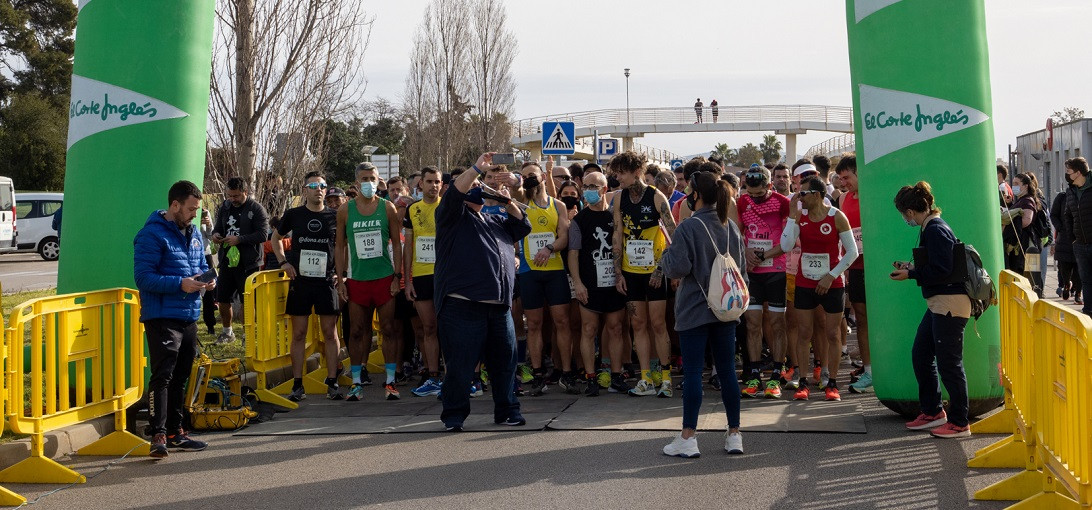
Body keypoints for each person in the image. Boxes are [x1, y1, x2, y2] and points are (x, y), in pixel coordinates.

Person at [435, 152, 530, 431]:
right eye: (475, 187)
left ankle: (508, 411)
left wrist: (506, 199)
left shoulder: (497, 222)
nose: (479, 190)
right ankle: (453, 415)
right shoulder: (452, 217)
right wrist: (477, 168)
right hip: (462, 307)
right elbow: (456, 192)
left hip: (499, 308)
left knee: (504, 365)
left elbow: (523, 225)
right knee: (461, 368)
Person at [660, 171, 745, 457]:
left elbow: (677, 269)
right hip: (726, 307)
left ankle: (688, 437)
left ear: (696, 195)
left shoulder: (687, 227)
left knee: (694, 372)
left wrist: (665, 255)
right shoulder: (730, 225)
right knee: (728, 371)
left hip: (695, 307)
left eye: (688, 192)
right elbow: (741, 268)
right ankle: (734, 433)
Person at [134, 180, 212, 458]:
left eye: (196, 209)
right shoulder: (151, 235)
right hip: (162, 316)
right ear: (175, 205)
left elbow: (201, 265)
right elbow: (144, 278)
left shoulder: (192, 233)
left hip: (188, 314)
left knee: (181, 376)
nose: (194, 214)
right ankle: (158, 434)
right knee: (163, 376)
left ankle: (177, 432)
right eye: (190, 208)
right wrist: (181, 283)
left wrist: (206, 281)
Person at [890, 181, 972, 438]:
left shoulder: (935, 229)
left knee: (949, 364)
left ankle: (960, 422)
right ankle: (933, 410)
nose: (905, 219)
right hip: (940, 302)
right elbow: (940, 264)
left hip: (949, 303)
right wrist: (911, 267)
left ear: (910, 212)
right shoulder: (933, 227)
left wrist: (911, 273)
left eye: (904, 215)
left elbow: (942, 269)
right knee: (922, 353)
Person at [779, 176, 858, 401]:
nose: (798, 197)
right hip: (805, 281)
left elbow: (851, 252)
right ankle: (803, 382)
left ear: (817, 194)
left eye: (802, 193)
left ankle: (831, 383)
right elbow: (786, 246)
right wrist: (792, 216)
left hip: (832, 283)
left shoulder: (836, 216)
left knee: (832, 333)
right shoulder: (800, 216)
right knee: (805, 333)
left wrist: (831, 276)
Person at [335, 162, 404, 401]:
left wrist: (398, 276)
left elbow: (396, 243)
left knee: (388, 330)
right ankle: (356, 383)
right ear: (356, 183)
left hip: (384, 278)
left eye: (372, 178)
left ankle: (391, 381)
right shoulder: (345, 210)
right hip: (357, 280)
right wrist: (342, 277)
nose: (368, 183)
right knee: (356, 331)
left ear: (379, 181)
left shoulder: (387, 208)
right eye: (364, 179)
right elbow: (339, 246)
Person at [271, 171, 343, 402]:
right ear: (305, 190)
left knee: (330, 333)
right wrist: (283, 263)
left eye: (322, 185)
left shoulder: (335, 216)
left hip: (326, 281)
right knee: (299, 333)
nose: (318, 189)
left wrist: (342, 275)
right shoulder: (294, 214)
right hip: (301, 281)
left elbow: (344, 246)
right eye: (313, 185)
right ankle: (297, 384)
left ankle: (332, 381)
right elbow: (275, 238)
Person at [612, 151, 678, 397]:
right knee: (637, 324)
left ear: (636, 172)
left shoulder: (657, 197)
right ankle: (646, 379)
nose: (618, 178)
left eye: (621, 173)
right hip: (631, 272)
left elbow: (674, 236)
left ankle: (666, 378)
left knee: (659, 324)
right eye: (616, 173)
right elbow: (617, 235)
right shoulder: (619, 198)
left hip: (655, 272)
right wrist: (618, 273)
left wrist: (662, 269)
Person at [517, 161, 575, 395]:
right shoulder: (521, 204)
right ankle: (538, 373)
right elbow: (513, 191)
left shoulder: (558, 205)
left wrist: (549, 248)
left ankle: (567, 372)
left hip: (554, 270)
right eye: (524, 177)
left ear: (542, 175)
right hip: (529, 272)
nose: (529, 179)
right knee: (533, 324)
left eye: (532, 175)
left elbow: (563, 237)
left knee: (562, 322)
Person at [568, 171, 627, 396]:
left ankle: (616, 375)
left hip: (614, 282)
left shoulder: (615, 216)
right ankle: (591, 377)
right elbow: (573, 253)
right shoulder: (579, 221)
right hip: (589, 283)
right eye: (586, 186)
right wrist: (578, 283)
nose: (589, 190)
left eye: (594, 186)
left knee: (616, 328)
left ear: (604, 189)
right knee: (589, 329)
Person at [737, 166, 791, 399]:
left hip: (776, 269)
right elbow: (738, 232)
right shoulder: (742, 202)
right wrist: (746, 249)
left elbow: (789, 238)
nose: (754, 198)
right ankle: (754, 376)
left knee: (777, 323)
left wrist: (763, 256)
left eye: (760, 194)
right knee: (752, 324)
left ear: (770, 186)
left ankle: (776, 377)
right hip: (753, 272)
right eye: (751, 193)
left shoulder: (782, 202)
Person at [211, 177, 270, 344]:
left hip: (248, 262)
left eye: (235, 196)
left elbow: (263, 235)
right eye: (229, 195)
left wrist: (240, 239)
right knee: (222, 298)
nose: (232, 199)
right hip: (227, 260)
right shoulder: (225, 206)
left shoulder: (256, 209)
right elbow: (218, 227)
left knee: (247, 299)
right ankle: (227, 332)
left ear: (245, 192)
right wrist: (216, 235)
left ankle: (248, 335)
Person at [405, 167, 444, 397]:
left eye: (437, 181)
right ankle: (432, 377)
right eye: (429, 181)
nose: (433, 186)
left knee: (448, 328)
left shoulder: (448, 206)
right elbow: (407, 247)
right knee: (429, 327)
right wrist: (407, 280)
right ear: (421, 184)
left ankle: (456, 376)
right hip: (421, 275)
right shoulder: (412, 209)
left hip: (446, 275)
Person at [836, 155, 873, 394]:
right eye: (840, 179)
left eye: (847, 177)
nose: (843, 183)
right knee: (861, 318)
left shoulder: (874, 194)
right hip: (856, 267)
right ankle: (869, 370)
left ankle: (881, 366)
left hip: (876, 266)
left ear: (858, 172)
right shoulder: (843, 199)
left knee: (877, 318)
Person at [1003, 173, 1041, 295]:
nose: (1014, 186)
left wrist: (1008, 221)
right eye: (1013, 183)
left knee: (1024, 275)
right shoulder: (1020, 200)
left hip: (1024, 244)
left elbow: (1026, 221)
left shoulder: (1027, 201)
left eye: (1016, 184)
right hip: (1020, 243)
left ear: (1025, 186)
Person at [1064, 157, 1092, 315]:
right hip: (1080, 244)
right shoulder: (1070, 191)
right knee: (1085, 279)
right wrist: (1072, 238)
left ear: (1078, 173)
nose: (1067, 175)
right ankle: (1088, 311)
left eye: (1069, 172)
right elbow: (1067, 215)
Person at [1051, 181, 1082, 304]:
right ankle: (1066, 284)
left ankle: (1078, 293)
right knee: (1064, 267)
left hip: (1081, 238)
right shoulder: (1062, 197)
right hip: (1064, 239)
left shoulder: (1086, 195)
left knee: (1080, 268)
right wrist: (1060, 228)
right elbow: (1054, 215)